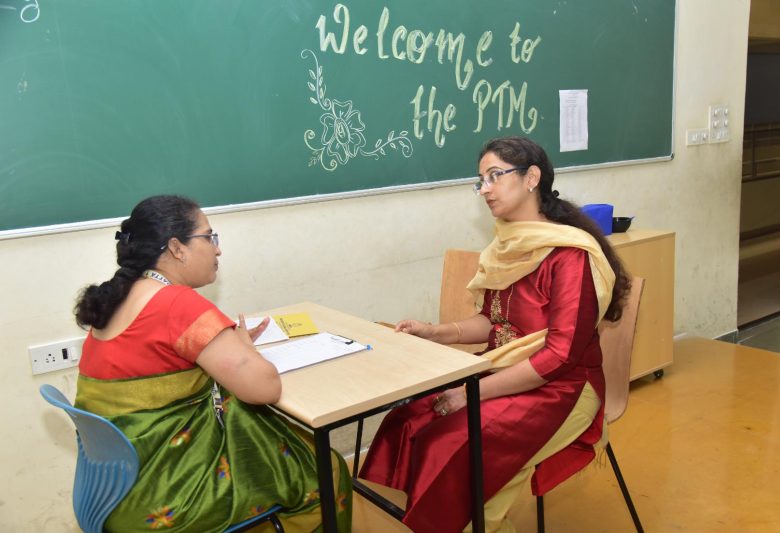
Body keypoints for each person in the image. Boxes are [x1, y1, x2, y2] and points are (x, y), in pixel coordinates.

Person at [359, 136, 630, 533]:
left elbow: (558, 356)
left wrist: (467, 394)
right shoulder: (508, 245)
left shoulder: (571, 256)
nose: (484, 189)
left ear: (531, 178)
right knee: (412, 416)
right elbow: (493, 322)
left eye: (494, 176)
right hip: (507, 371)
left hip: (564, 387)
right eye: (480, 180)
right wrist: (434, 332)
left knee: (456, 444)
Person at [73, 195, 351, 532]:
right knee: (324, 469)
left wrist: (235, 347)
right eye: (209, 237)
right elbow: (264, 387)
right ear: (177, 248)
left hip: (114, 492)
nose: (217, 249)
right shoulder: (177, 304)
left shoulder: (119, 297)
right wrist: (247, 352)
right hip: (169, 496)